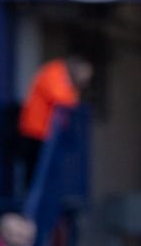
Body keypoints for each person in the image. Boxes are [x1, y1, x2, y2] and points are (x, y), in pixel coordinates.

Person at [15, 55, 91, 196]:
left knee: (46, 173)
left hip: (46, 134)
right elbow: (62, 99)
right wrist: (73, 94)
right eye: (84, 75)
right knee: (33, 172)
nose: (84, 81)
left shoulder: (67, 82)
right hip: (34, 131)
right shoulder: (54, 72)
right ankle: (29, 202)